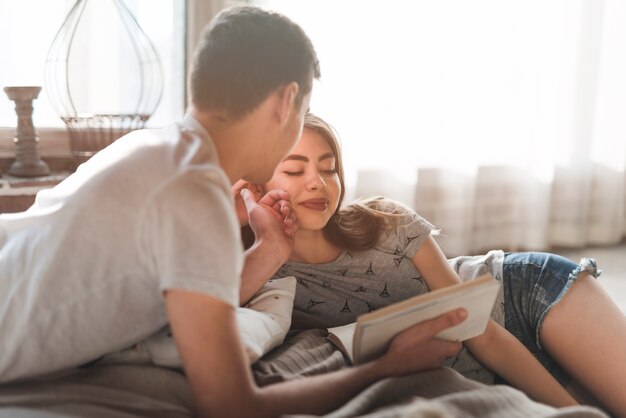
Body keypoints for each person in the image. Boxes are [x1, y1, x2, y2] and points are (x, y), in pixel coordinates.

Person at [0, 6, 469, 418]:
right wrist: (386, 367)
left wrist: (270, 248)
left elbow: (187, 304)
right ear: (287, 102)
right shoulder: (192, 192)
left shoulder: (153, 149)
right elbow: (231, 407)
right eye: (303, 111)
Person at [234, 113, 626, 418]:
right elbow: (200, 315)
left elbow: (481, 332)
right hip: (483, 380)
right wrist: (247, 225)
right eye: (294, 169)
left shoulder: (387, 221)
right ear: (256, 187)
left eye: (328, 167)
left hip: (522, 297)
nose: (318, 182)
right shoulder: (260, 269)